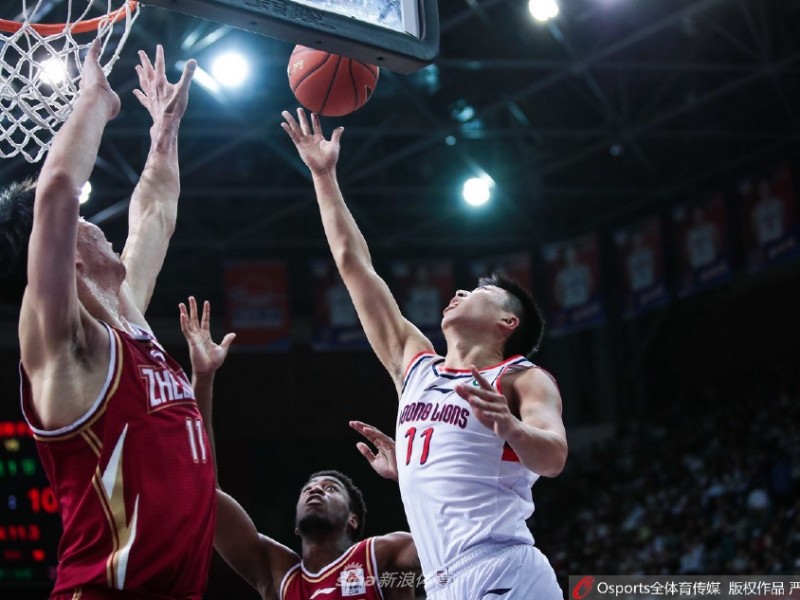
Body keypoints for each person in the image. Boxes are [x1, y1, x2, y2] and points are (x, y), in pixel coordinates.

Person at [281, 108, 567, 600]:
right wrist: (325, 177)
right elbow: (355, 268)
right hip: (441, 583)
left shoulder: (521, 379)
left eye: (478, 291)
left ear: (507, 322)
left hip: (501, 567)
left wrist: (512, 429)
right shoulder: (415, 363)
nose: (458, 292)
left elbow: (554, 456)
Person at [0, 42, 209, 599]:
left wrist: (164, 133)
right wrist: (94, 100)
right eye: (86, 223)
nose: (99, 226)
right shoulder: (63, 341)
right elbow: (56, 194)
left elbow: (155, 216)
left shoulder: (125, 314)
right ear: (66, 252)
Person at [178, 297, 419, 600]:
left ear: (352, 520)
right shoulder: (276, 573)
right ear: (294, 524)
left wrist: (410, 478)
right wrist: (203, 378)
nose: (315, 491)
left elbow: (448, 544)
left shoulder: (383, 558)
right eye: (308, 489)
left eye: (330, 489)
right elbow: (204, 492)